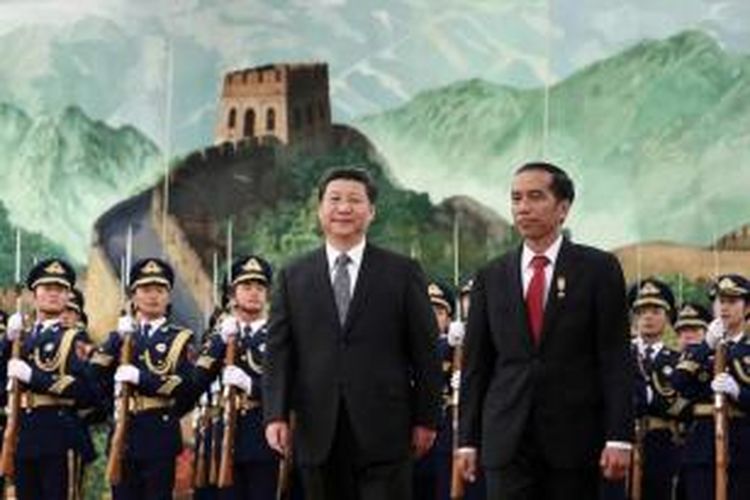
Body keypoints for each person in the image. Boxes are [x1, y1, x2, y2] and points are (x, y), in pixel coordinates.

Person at [263, 166, 442, 500]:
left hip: (387, 430)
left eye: (354, 200)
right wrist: (275, 414)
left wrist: (426, 419)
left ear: (371, 211)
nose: (343, 208)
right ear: (320, 210)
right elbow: (279, 353)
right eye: (334, 199)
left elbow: (427, 352)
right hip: (317, 429)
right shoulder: (293, 276)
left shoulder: (402, 272)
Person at [457, 162, 633, 500]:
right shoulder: (491, 276)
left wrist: (619, 437)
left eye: (535, 197)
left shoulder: (598, 269)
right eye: (516, 198)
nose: (523, 207)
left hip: (576, 440)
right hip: (507, 437)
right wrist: (466, 440)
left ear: (563, 207)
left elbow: (614, 358)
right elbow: (477, 366)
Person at [90, 257, 196, 500]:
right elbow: (93, 376)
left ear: (168, 297)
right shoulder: (122, 336)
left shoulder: (180, 339)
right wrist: (117, 338)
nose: (153, 296)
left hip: (159, 434)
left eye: (160, 290)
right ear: (133, 296)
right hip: (124, 433)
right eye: (146, 290)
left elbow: (184, 385)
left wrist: (141, 378)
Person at [3, 258, 103, 499]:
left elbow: (87, 392)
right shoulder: (21, 338)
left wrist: (33, 377)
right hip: (24, 434)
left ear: (68, 296)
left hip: (58, 435)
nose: (54, 294)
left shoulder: (75, 339)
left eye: (61, 290)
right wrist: (6, 342)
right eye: (47, 288)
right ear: (34, 294)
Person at [193, 254, 280, 499]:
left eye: (260, 287)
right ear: (232, 294)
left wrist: (250, 384)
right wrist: (220, 341)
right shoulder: (219, 337)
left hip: (263, 436)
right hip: (221, 438)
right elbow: (195, 383)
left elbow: (291, 388)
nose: (254, 292)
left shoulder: (278, 336)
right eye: (246, 286)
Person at [672, 274, 750, 500]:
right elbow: (676, 384)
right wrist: (707, 344)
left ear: (747, 309)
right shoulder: (700, 350)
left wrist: (738, 392)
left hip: (742, 447)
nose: (724, 307)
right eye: (720, 301)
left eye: (732, 302)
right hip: (703, 448)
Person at [628, 278, 687, 500]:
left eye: (655, 311)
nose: (648, 317)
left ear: (668, 318)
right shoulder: (620, 356)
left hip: (662, 442)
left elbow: (683, 405)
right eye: (641, 311)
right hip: (623, 440)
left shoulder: (679, 361)